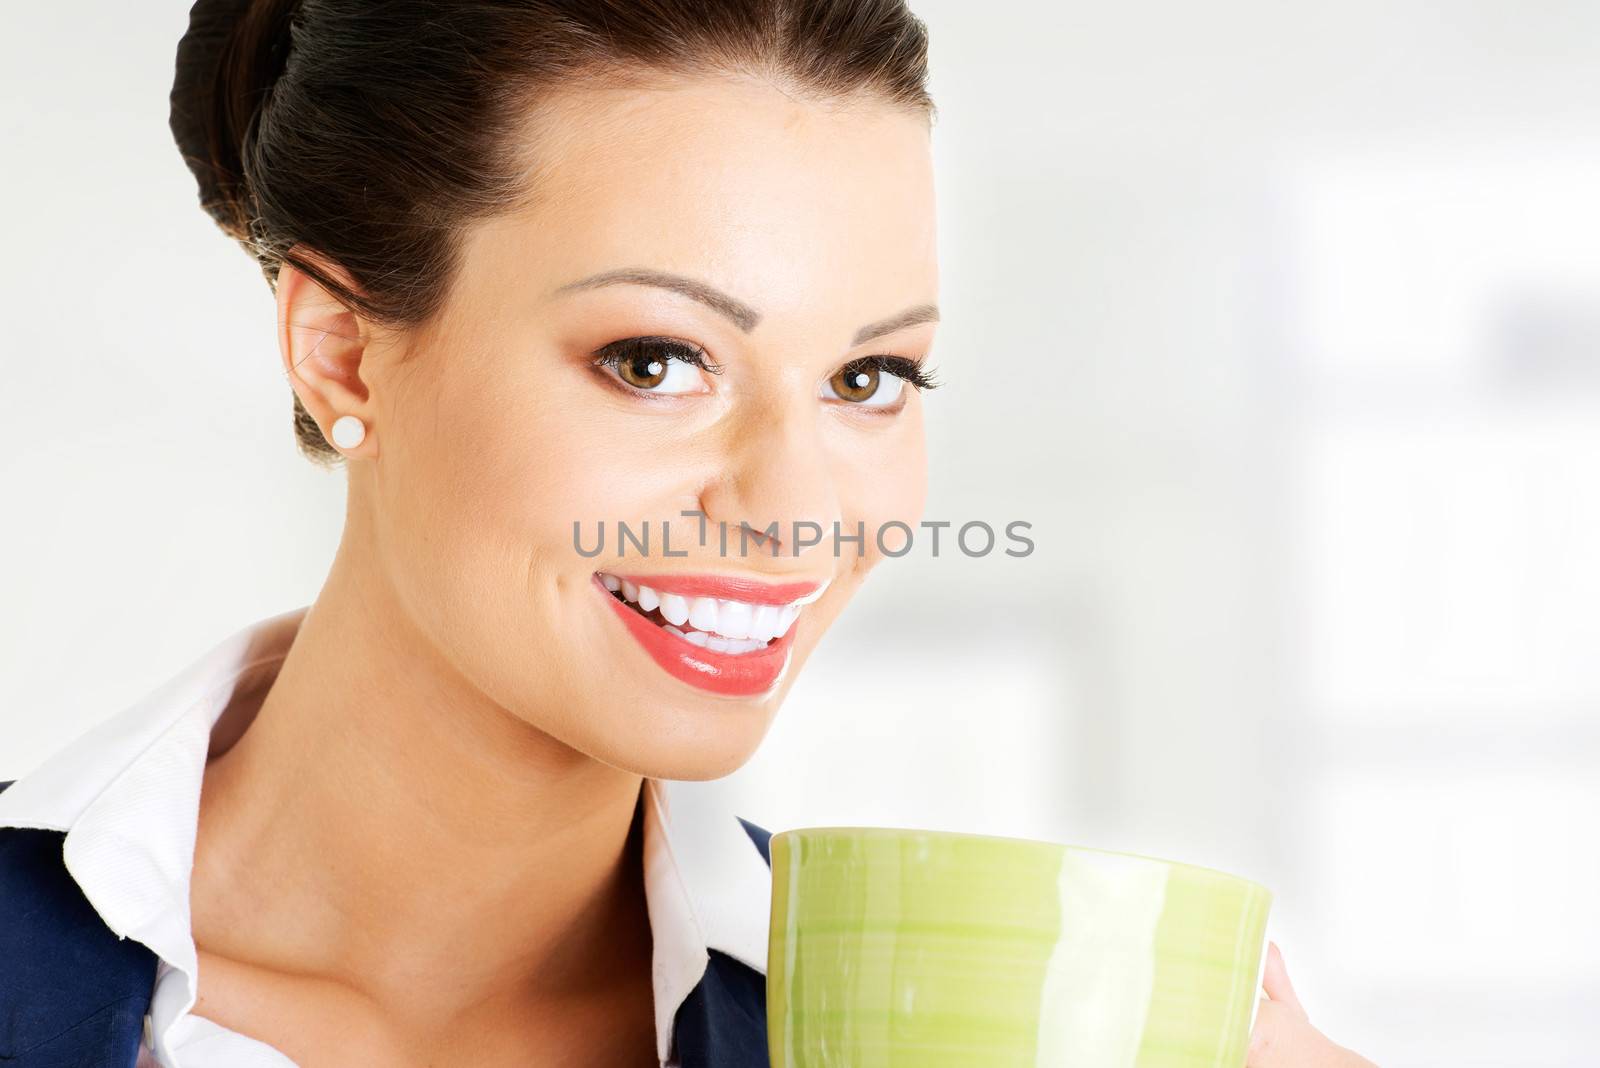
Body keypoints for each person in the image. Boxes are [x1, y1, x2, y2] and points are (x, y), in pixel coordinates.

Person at [0, 1, 1375, 1065]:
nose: (792, 510)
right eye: (658, 360)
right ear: (344, 353)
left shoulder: (922, 1033)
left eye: (869, 379)